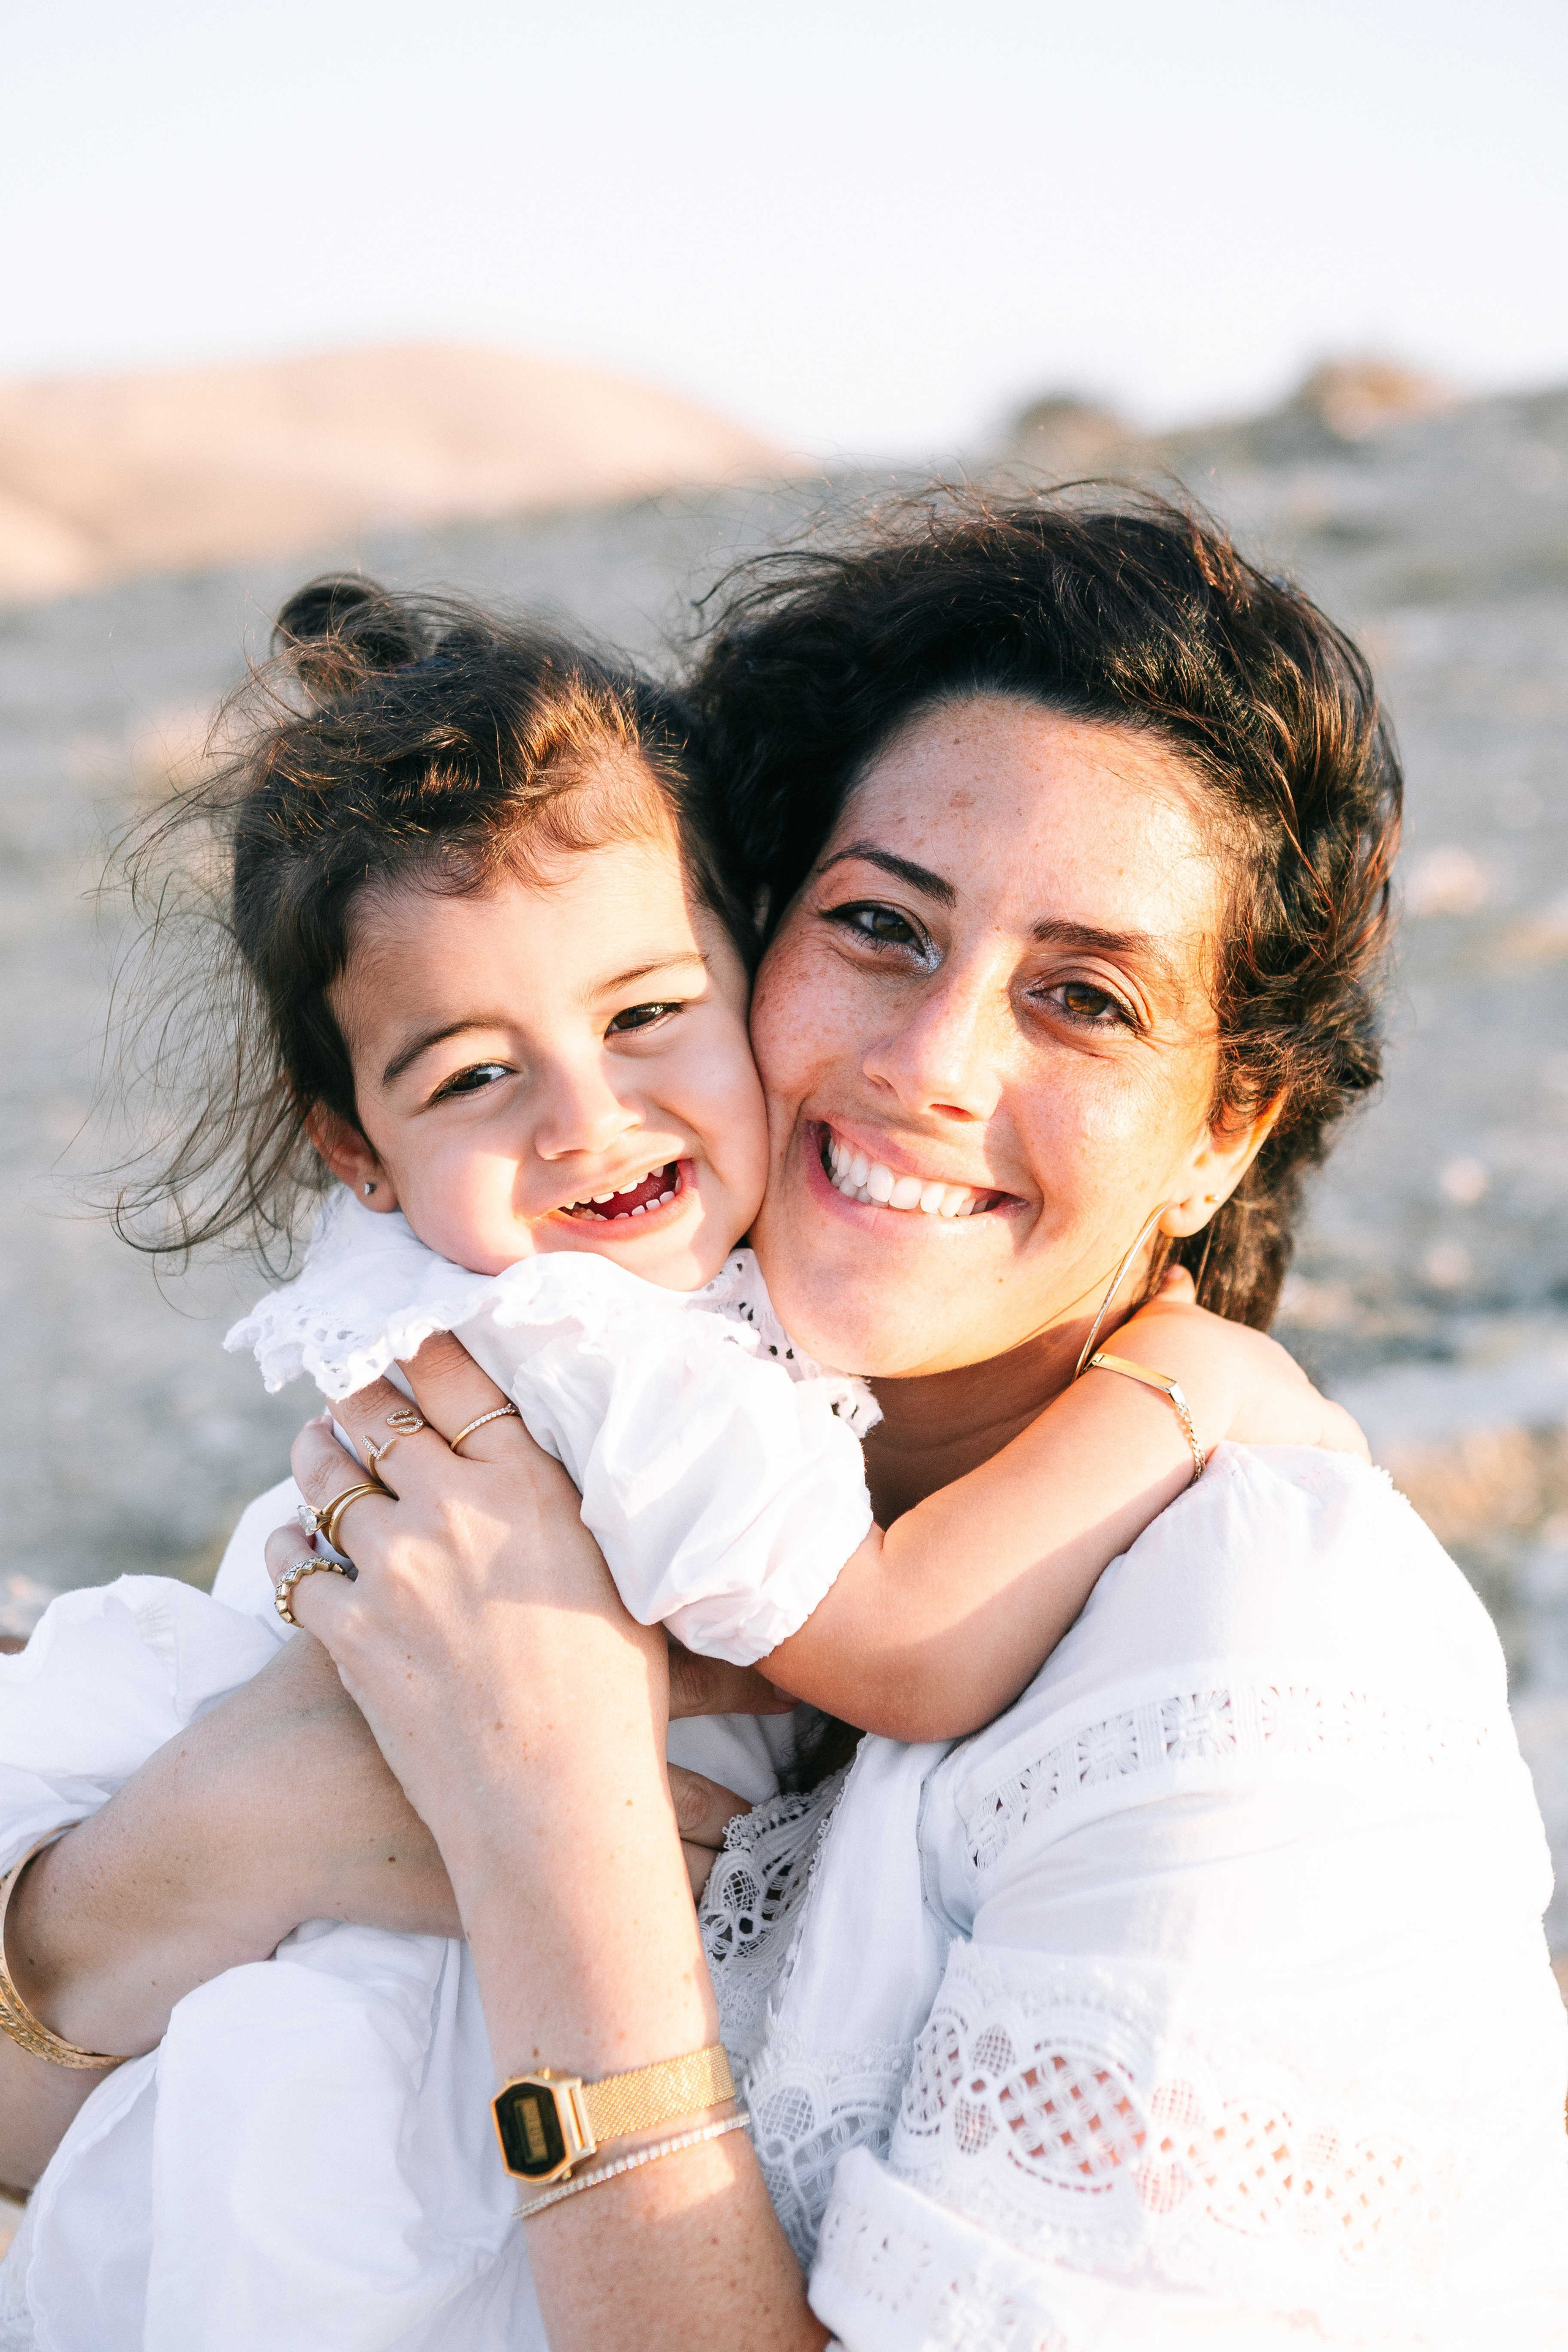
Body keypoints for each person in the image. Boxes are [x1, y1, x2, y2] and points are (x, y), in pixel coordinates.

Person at [6, 494, 1566, 2348]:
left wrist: (550, 1825)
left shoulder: (1264, 1649)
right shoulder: (547, 1425)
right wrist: (243, 1826)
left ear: (1228, 1126)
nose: (928, 1064)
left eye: (1082, 997)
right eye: (880, 928)